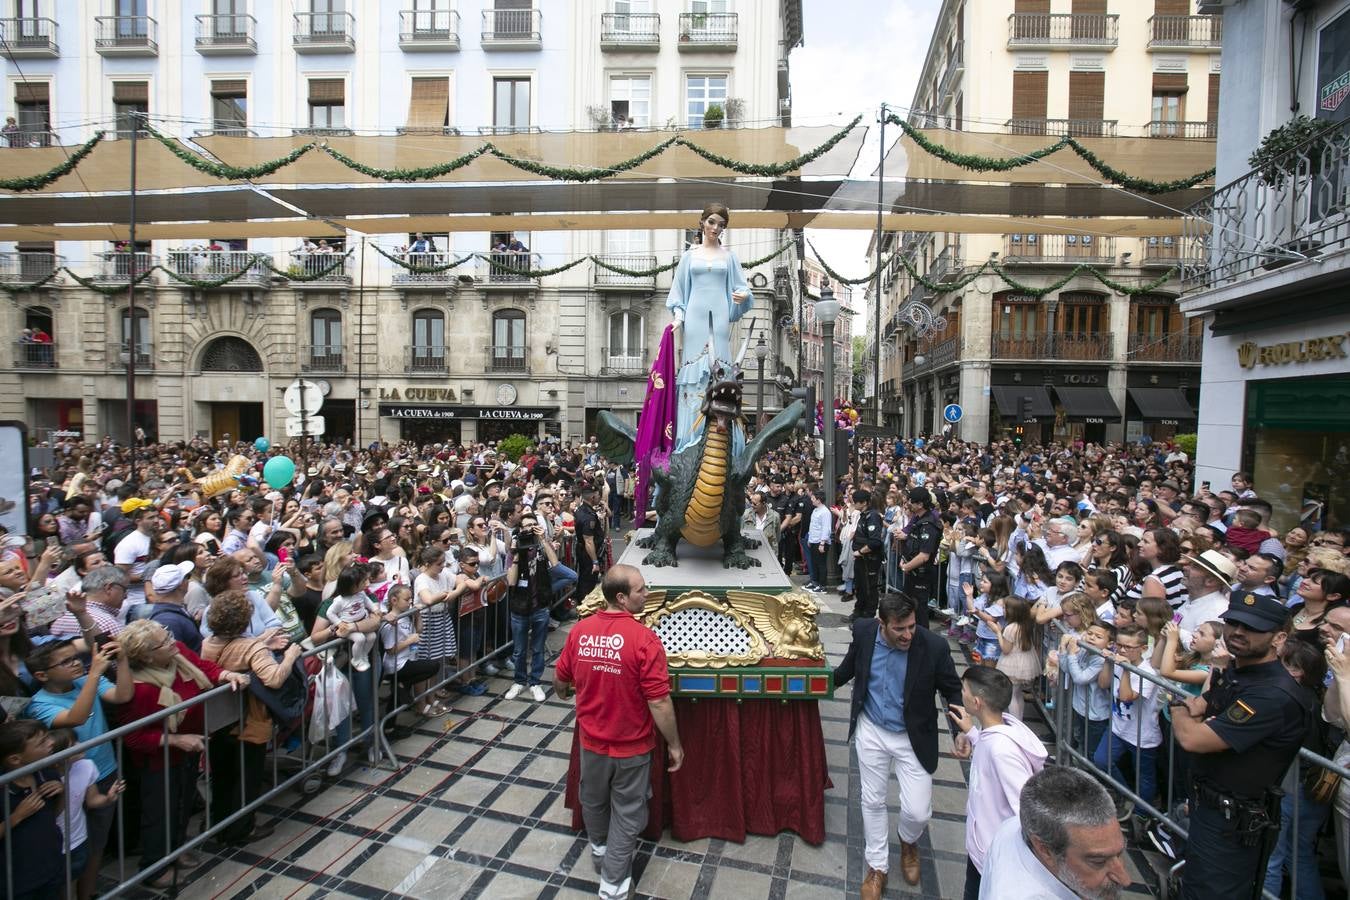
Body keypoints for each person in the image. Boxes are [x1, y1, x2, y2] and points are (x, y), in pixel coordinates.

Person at [1170, 589, 1314, 900]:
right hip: (1208, 804)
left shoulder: (1272, 694)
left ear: (1278, 638)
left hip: (1232, 823)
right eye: (1234, 623)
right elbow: (1205, 705)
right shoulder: (1239, 673)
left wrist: (1176, 705)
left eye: (1252, 628)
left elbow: (1192, 737)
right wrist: (1193, 708)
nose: (1238, 632)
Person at [554, 564, 683, 900]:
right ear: (622, 597)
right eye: (641, 590)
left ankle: (599, 848)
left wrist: (565, 691)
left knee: (593, 801)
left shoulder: (580, 631)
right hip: (631, 748)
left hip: (591, 742)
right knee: (628, 813)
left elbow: (560, 679)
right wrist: (675, 745)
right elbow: (659, 702)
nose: (647, 594)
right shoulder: (644, 639)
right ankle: (613, 882)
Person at [835, 592, 964, 896]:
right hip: (872, 730)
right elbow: (847, 669)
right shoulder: (865, 631)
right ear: (882, 623)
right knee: (872, 800)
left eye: (911, 627)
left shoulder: (933, 646)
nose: (908, 634)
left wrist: (961, 731)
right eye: (899, 629)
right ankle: (877, 866)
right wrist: (815, 685)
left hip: (913, 735)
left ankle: (909, 840)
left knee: (918, 811)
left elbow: (952, 690)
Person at [948, 667, 1047, 900]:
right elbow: (988, 744)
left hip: (995, 856)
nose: (960, 693)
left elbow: (1025, 807)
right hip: (984, 849)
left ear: (976, 701)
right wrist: (972, 733)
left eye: (963, 689)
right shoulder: (998, 729)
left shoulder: (1002, 750)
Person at [666, 202, 752, 449]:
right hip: (694, 318)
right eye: (712, 222)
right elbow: (678, 292)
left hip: (721, 316)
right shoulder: (688, 257)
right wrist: (678, 318)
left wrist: (744, 295)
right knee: (693, 376)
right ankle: (689, 442)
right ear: (702, 222)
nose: (715, 228)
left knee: (720, 371)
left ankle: (723, 440)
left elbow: (742, 287)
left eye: (721, 224)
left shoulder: (730, 257)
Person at [979, 765, 1130, 899]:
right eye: (1098, 862)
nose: (1125, 879)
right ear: (1044, 850)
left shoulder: (1013, 826)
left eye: (1119, 854)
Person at [503, 511, 557, 702]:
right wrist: (517, 554)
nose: (529, 529)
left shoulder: (541, 546)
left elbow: (555, 563)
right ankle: (519, 681)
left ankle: (535, 682)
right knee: (519, 650)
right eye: (526, 526)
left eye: (533, 524)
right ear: (520, 529)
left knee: (538, 648)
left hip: (540, 605)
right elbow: (511, 581)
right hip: (519, 607)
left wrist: (543, 540)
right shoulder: (514, 549)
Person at [898, 488, 941, 628]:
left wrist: (906, 566)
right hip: (912, 573)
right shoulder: (917, 520)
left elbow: (924, 555)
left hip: (922, 575)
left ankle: (922, 644)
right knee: (907, 607)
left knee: (919, 612)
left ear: (920, 504)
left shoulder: (928, 525)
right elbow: (912, 544)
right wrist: (904, 560)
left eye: (912, 501)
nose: (908, 503)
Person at [852, 489, 886, 621]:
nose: (854, 504)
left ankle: (868, 617)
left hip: (870, 560)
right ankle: (858, 612)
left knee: (869, 589)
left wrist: (860, 552)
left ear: (864, 502)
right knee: (860, 587)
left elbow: (875, 541)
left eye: (856, 502)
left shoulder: (873, 516)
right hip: (861, 559)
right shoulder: (863, 515)